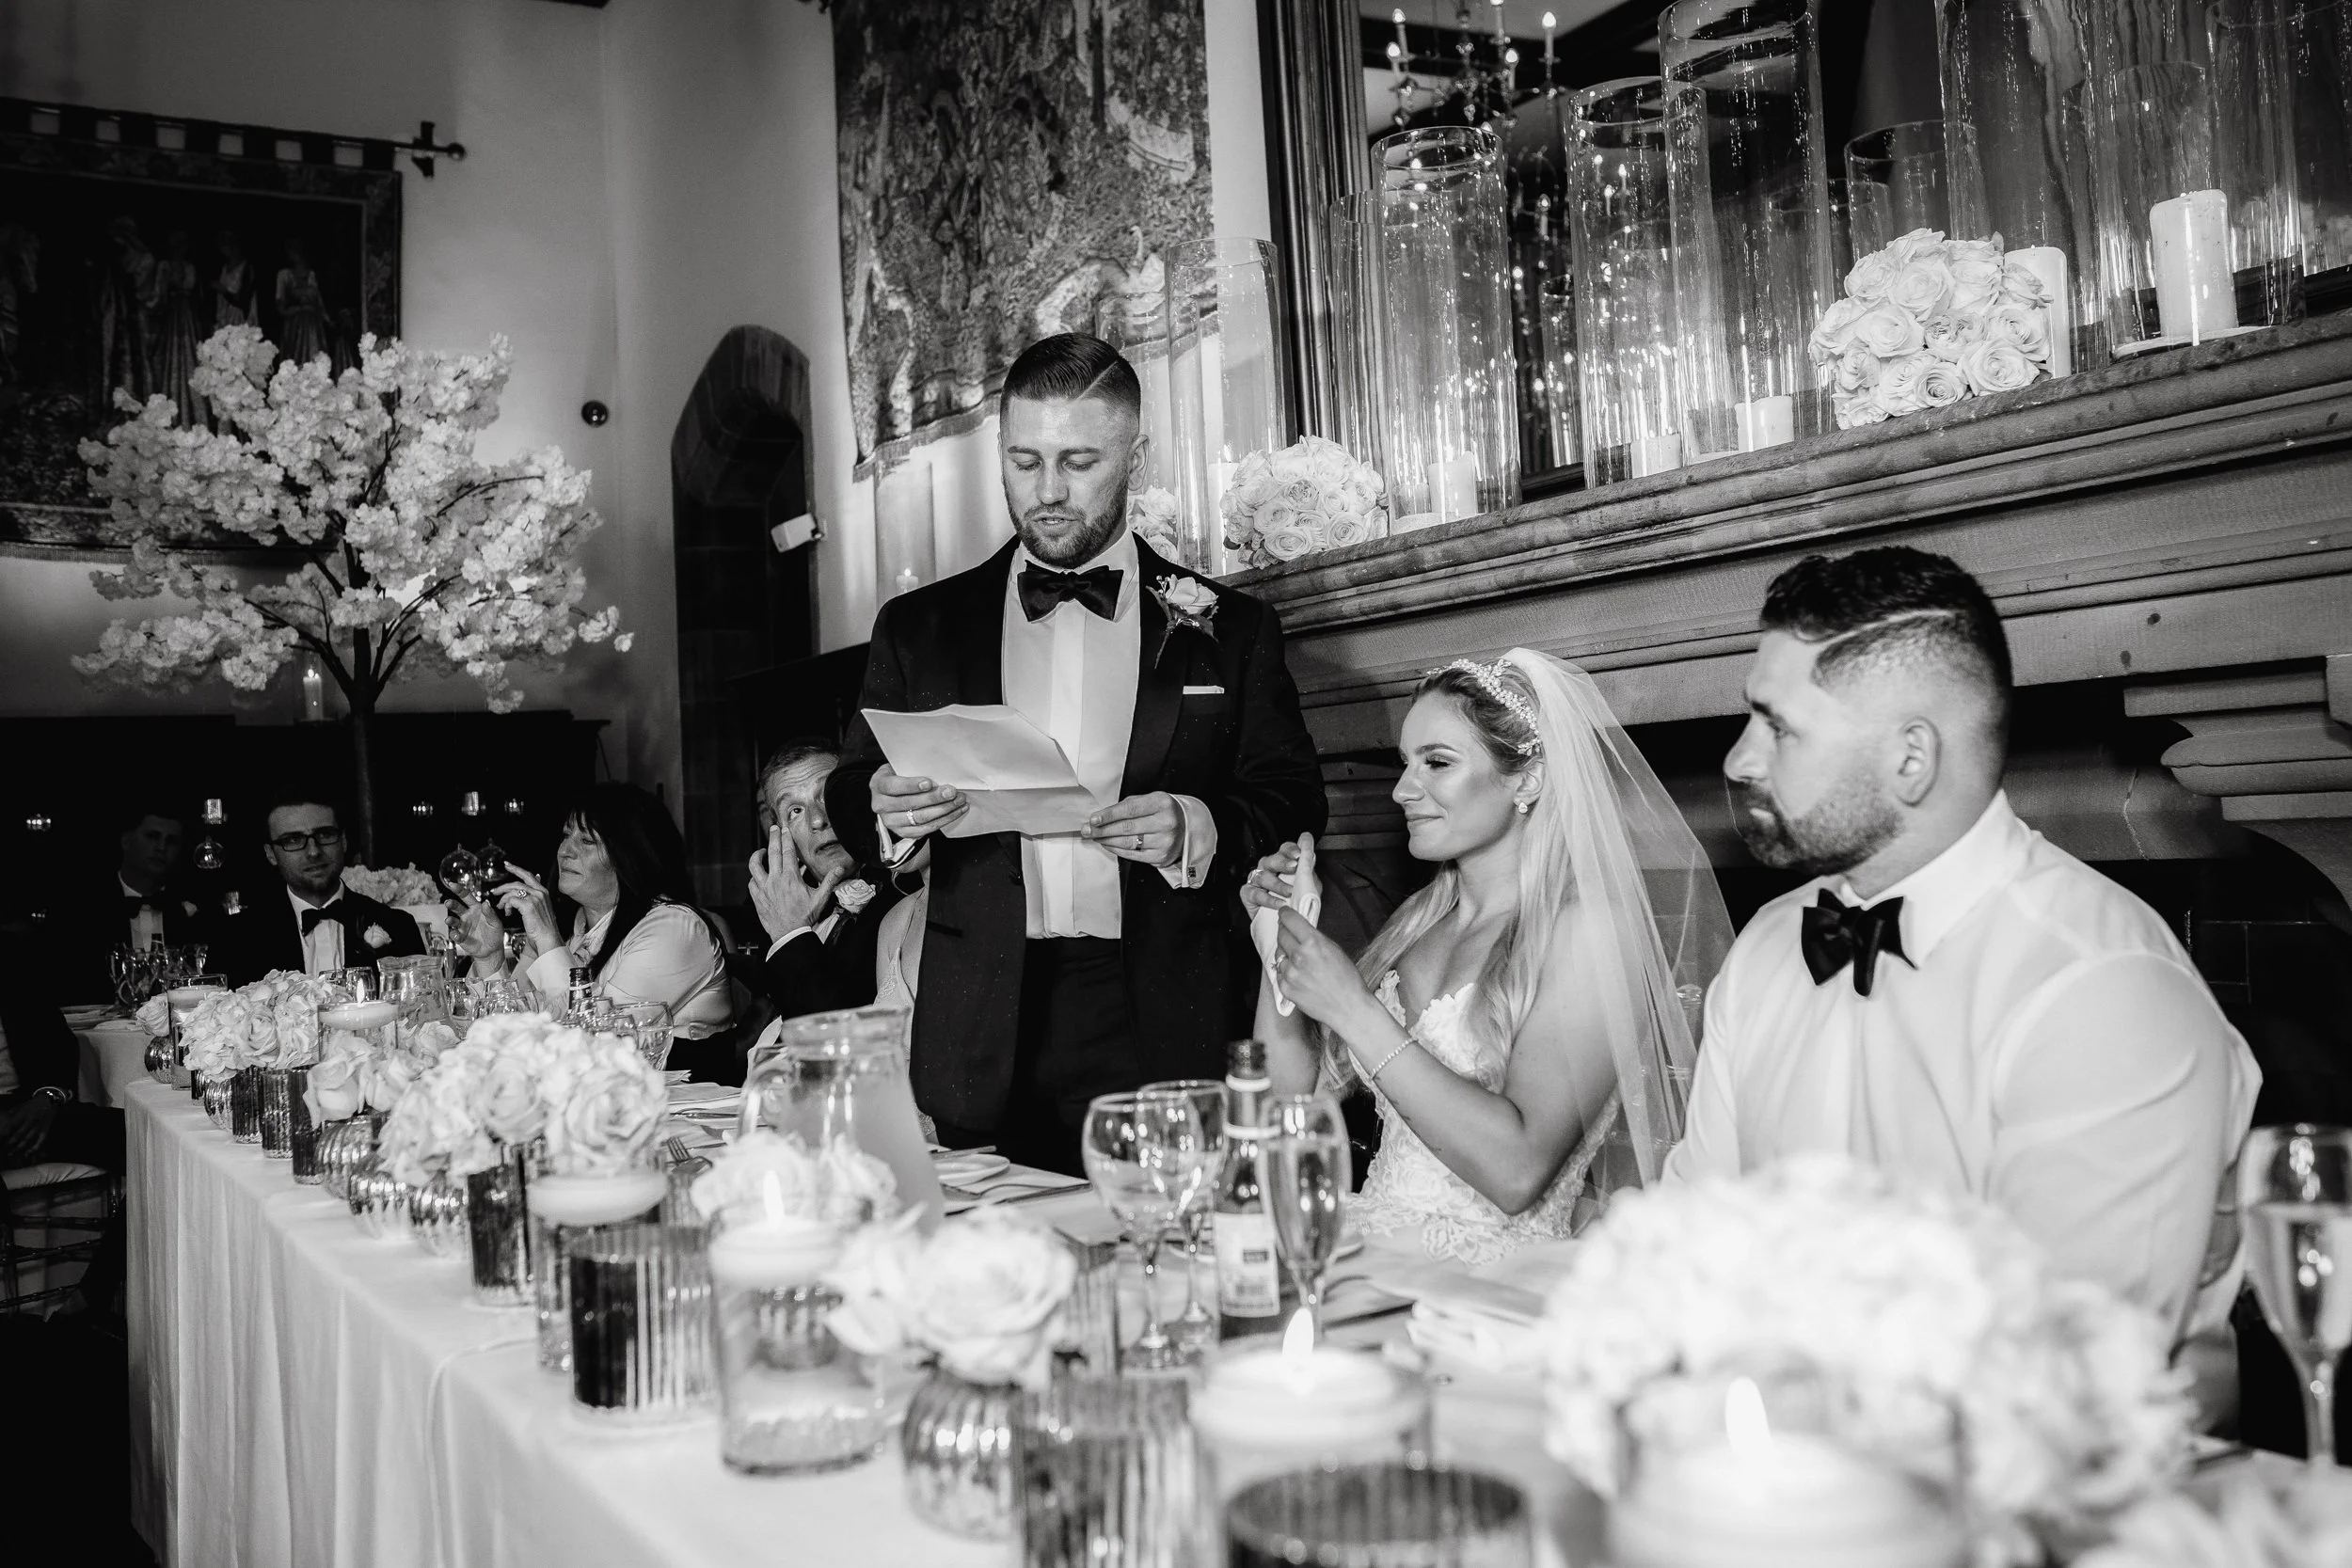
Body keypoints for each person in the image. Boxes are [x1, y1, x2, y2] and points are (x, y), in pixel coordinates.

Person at [1665, 547, 2260, 1381]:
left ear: (1912, 758)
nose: (1738, 759)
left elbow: (2067, 1380)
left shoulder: (2096, 985)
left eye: (1778, 726)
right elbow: (1689, 1238)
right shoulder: (1768, 947)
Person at [828, 332, 1326, 1175]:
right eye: (1024, 461)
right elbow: (847, 788)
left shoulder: (1230, 631)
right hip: (977, 1010)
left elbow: (1293, 796)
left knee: (1162, 1259)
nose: (1048, 491)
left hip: (1163, 1008)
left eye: (1079, 460)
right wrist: (884, 807)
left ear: (1137, 453)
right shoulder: (921, 626)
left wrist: (1194, 823)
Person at [1248, 653, 1732, 1264]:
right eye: (1405, 763)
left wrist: (1352, 1007)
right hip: (1369, 1254)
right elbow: (1283, 1105)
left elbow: (1517, 1171)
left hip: (1491, 1288)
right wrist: (1280, 938)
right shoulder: (1415, 926)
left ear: (1526, 780)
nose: (1401, 789)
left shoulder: (1591, 931)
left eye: (1438, 763)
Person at [457, 784, 736, 1039]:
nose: (565, 851)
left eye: (587, 841)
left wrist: (547, 938)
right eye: (566, 835)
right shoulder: (575, 929)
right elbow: (508, 1032)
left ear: (630, 855)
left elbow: (598, 1041)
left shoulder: (674, 928)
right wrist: (490, 961)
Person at [1, 934, 126, 1317]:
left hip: (26, 1110)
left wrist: (47, 1098)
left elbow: (57, 1043)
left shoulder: (9, 955)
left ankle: (92, 1296)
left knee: (149, 1141)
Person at [748, 740, 905, 1021]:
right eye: (795, 810)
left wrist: (790, 935)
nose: (817, 820)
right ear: (784, 837)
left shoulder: (905, 893)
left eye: (826, 797)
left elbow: (843, 1039)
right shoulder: (774, 910)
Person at [216, 794, 425, 983]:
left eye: (325, 835)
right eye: (293, 840)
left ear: (343, 841)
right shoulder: (236, 939)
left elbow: (422, 1016)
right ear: (271, 854)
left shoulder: (399, 927)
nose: (314, 852)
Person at [58, 802, 207, 1001]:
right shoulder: (83, 907)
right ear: (127, 841)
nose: (161, 847)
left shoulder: (189, 910)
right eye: (152, 836)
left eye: (171, 841)